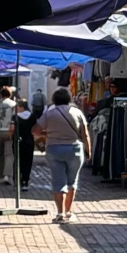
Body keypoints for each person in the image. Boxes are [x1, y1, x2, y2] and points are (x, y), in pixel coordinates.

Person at [37, 79, 91, 221]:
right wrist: (88, 150)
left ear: (54, 99)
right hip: (74, 149)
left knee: (58, 181)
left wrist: (46, 134)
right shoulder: (77, 112)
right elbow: (85, 134)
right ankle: (68, 212)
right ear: (69, 98)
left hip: (54, 148)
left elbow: (35, 130)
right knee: (72, 182)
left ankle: (60, 212)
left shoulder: (49, 113)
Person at [0, 79, 17, 184]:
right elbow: (15, 119)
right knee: (8, 153)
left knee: (0, 153)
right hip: (9, 131)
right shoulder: (13, 104)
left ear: (1, 94)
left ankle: (1, 175)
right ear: (10, 94)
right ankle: (7, 175)